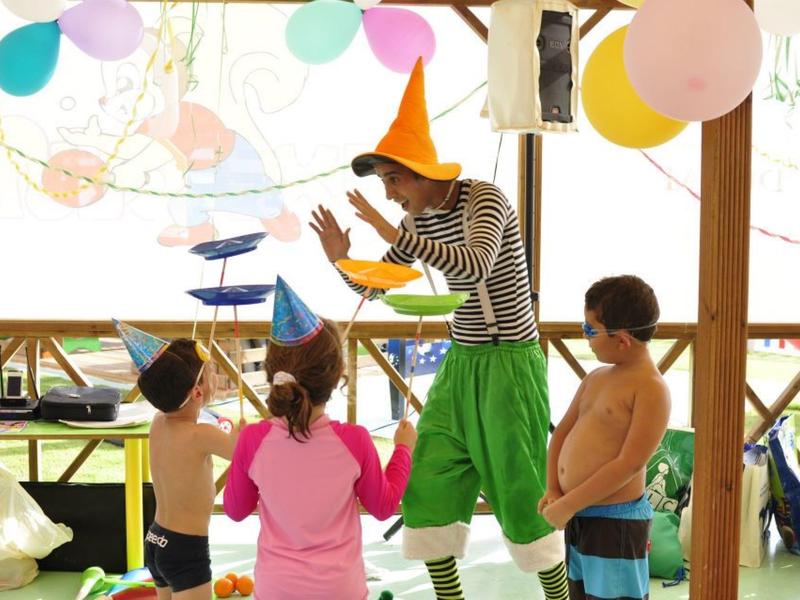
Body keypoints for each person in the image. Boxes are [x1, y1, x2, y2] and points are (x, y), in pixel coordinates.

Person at [310, 58, 568, 600]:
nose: (389, 194)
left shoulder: (485, 200)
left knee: (521, 492)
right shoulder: (414, 219)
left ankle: (558, 596)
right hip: (462, 363)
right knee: (428, 486)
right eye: (384, 183)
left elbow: (473, 264)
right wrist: (343, 261)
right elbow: (378, 287)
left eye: (393, 180)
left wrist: (394, 230)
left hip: (510, 364)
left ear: (424, 172)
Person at [223, 276, 417, 600]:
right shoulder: (354, 441)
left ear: (274, 372)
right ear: (337, 376)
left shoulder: (254, 440)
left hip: (276, 589)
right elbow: (383, 506)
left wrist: (242, 449)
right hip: (340, 589)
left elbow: (235, 509)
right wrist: (403, 450)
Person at [539, 275, 671, 600]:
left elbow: (629, 464)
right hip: (580, 516)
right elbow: (561, 435)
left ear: (622, 339)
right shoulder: (596, 377)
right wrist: (555, 488)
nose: (585, 337)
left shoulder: (650, 389)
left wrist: (568, 503)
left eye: (589, 330)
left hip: (615, 525)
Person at [136, 338, 242, 600]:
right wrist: (241, 429)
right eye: (211, 373)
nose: (216, 377)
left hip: (156, 539)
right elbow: (237, 451)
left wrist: (222, 428)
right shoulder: (200, 435)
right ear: (196, 392)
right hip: (185, 548)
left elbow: (189, 427)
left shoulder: (158, 422)